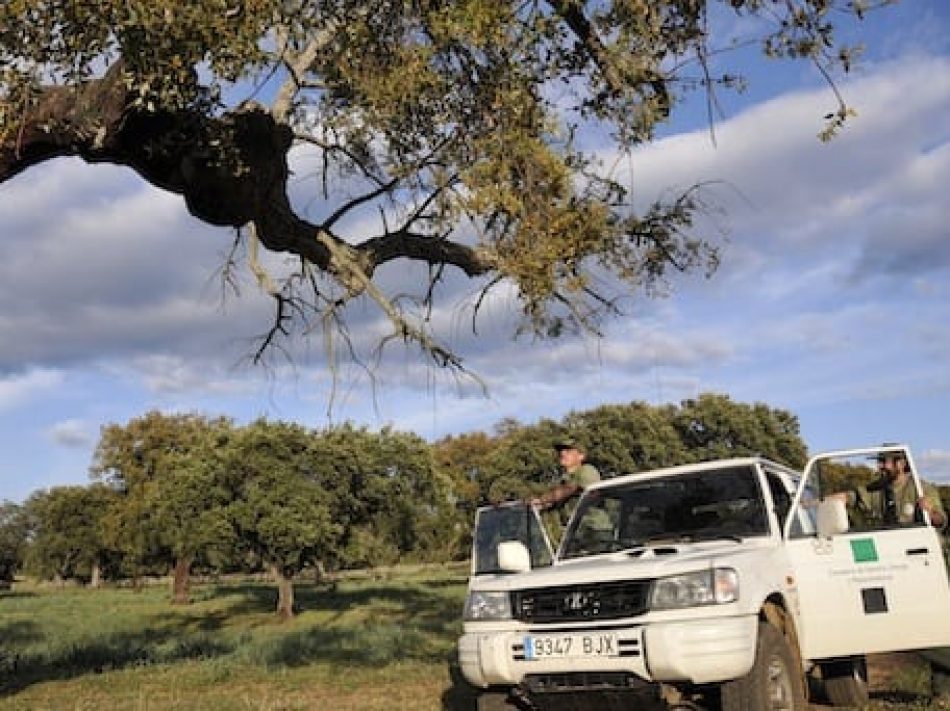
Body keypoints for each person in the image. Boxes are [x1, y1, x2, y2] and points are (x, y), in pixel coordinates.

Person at [828, 449, 949, 699]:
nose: (881, 466)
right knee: (912, 624)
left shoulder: (921, 488)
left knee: (933, 624)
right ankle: (942, 693)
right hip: (895, 567)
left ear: (901, 463)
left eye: (885, 462)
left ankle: (942, 690)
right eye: (880, 461)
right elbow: (854, 497)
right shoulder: (879, 490)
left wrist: (930, 511)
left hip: (924, 565)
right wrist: (828, 502)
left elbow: (940, 520)